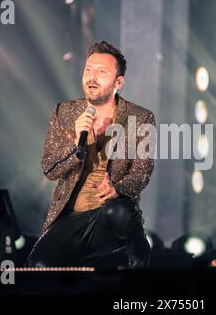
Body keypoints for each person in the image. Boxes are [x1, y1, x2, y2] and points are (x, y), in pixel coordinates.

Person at [26, 41, 155, 269]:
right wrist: (77, 143)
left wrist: (118, 188)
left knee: (119, 210)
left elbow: (142, 172)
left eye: (101, 72)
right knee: (39, 266)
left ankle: (139, 252)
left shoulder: (140, 117)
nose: (92, 77)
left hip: (112, 212)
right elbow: (50, 168)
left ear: (118, 82)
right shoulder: (64, 112)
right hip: (71, 216)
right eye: (88, 70)